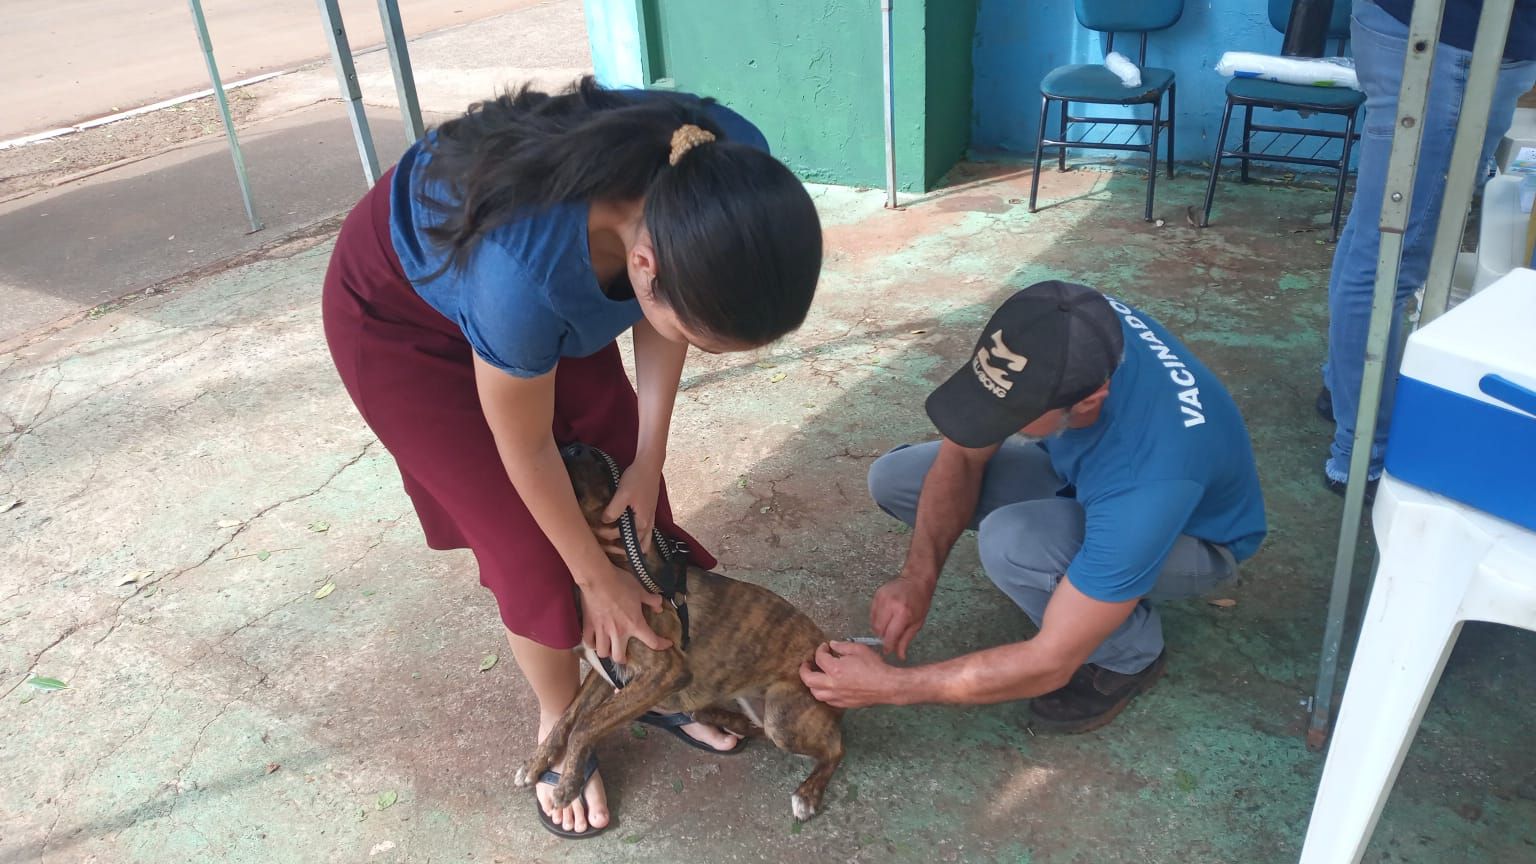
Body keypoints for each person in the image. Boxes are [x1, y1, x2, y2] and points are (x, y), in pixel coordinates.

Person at [322, 78, 822, 838]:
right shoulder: (524, 280)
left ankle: (644, 681)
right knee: (529, 546)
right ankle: (560, 718)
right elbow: (520, 445)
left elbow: (669, 321)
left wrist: (648, 458)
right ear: (644, 267)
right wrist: (594, 581)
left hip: (555, 278)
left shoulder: (725, 169)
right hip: (403, 318)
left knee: (626, 497)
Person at [799, 282, 1266, 732]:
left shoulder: (1151, 480)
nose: (993, 425)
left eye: (1012, 416)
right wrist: (917, 578)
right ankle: (1070, 571)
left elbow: (1050, 661)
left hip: (1195, 539)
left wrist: (892, 686)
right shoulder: (1060, 315)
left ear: (1088, 402)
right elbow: (963, 454)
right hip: (1088, 477)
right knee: (898, 479)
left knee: (1016, 541)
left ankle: (1128, 656)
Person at [1320, 0, 1536, 495]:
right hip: (1450, 38)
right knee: (1390, 263)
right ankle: (1362, 455)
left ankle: (1344, 390)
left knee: (1375, 240)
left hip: (1442, 32)